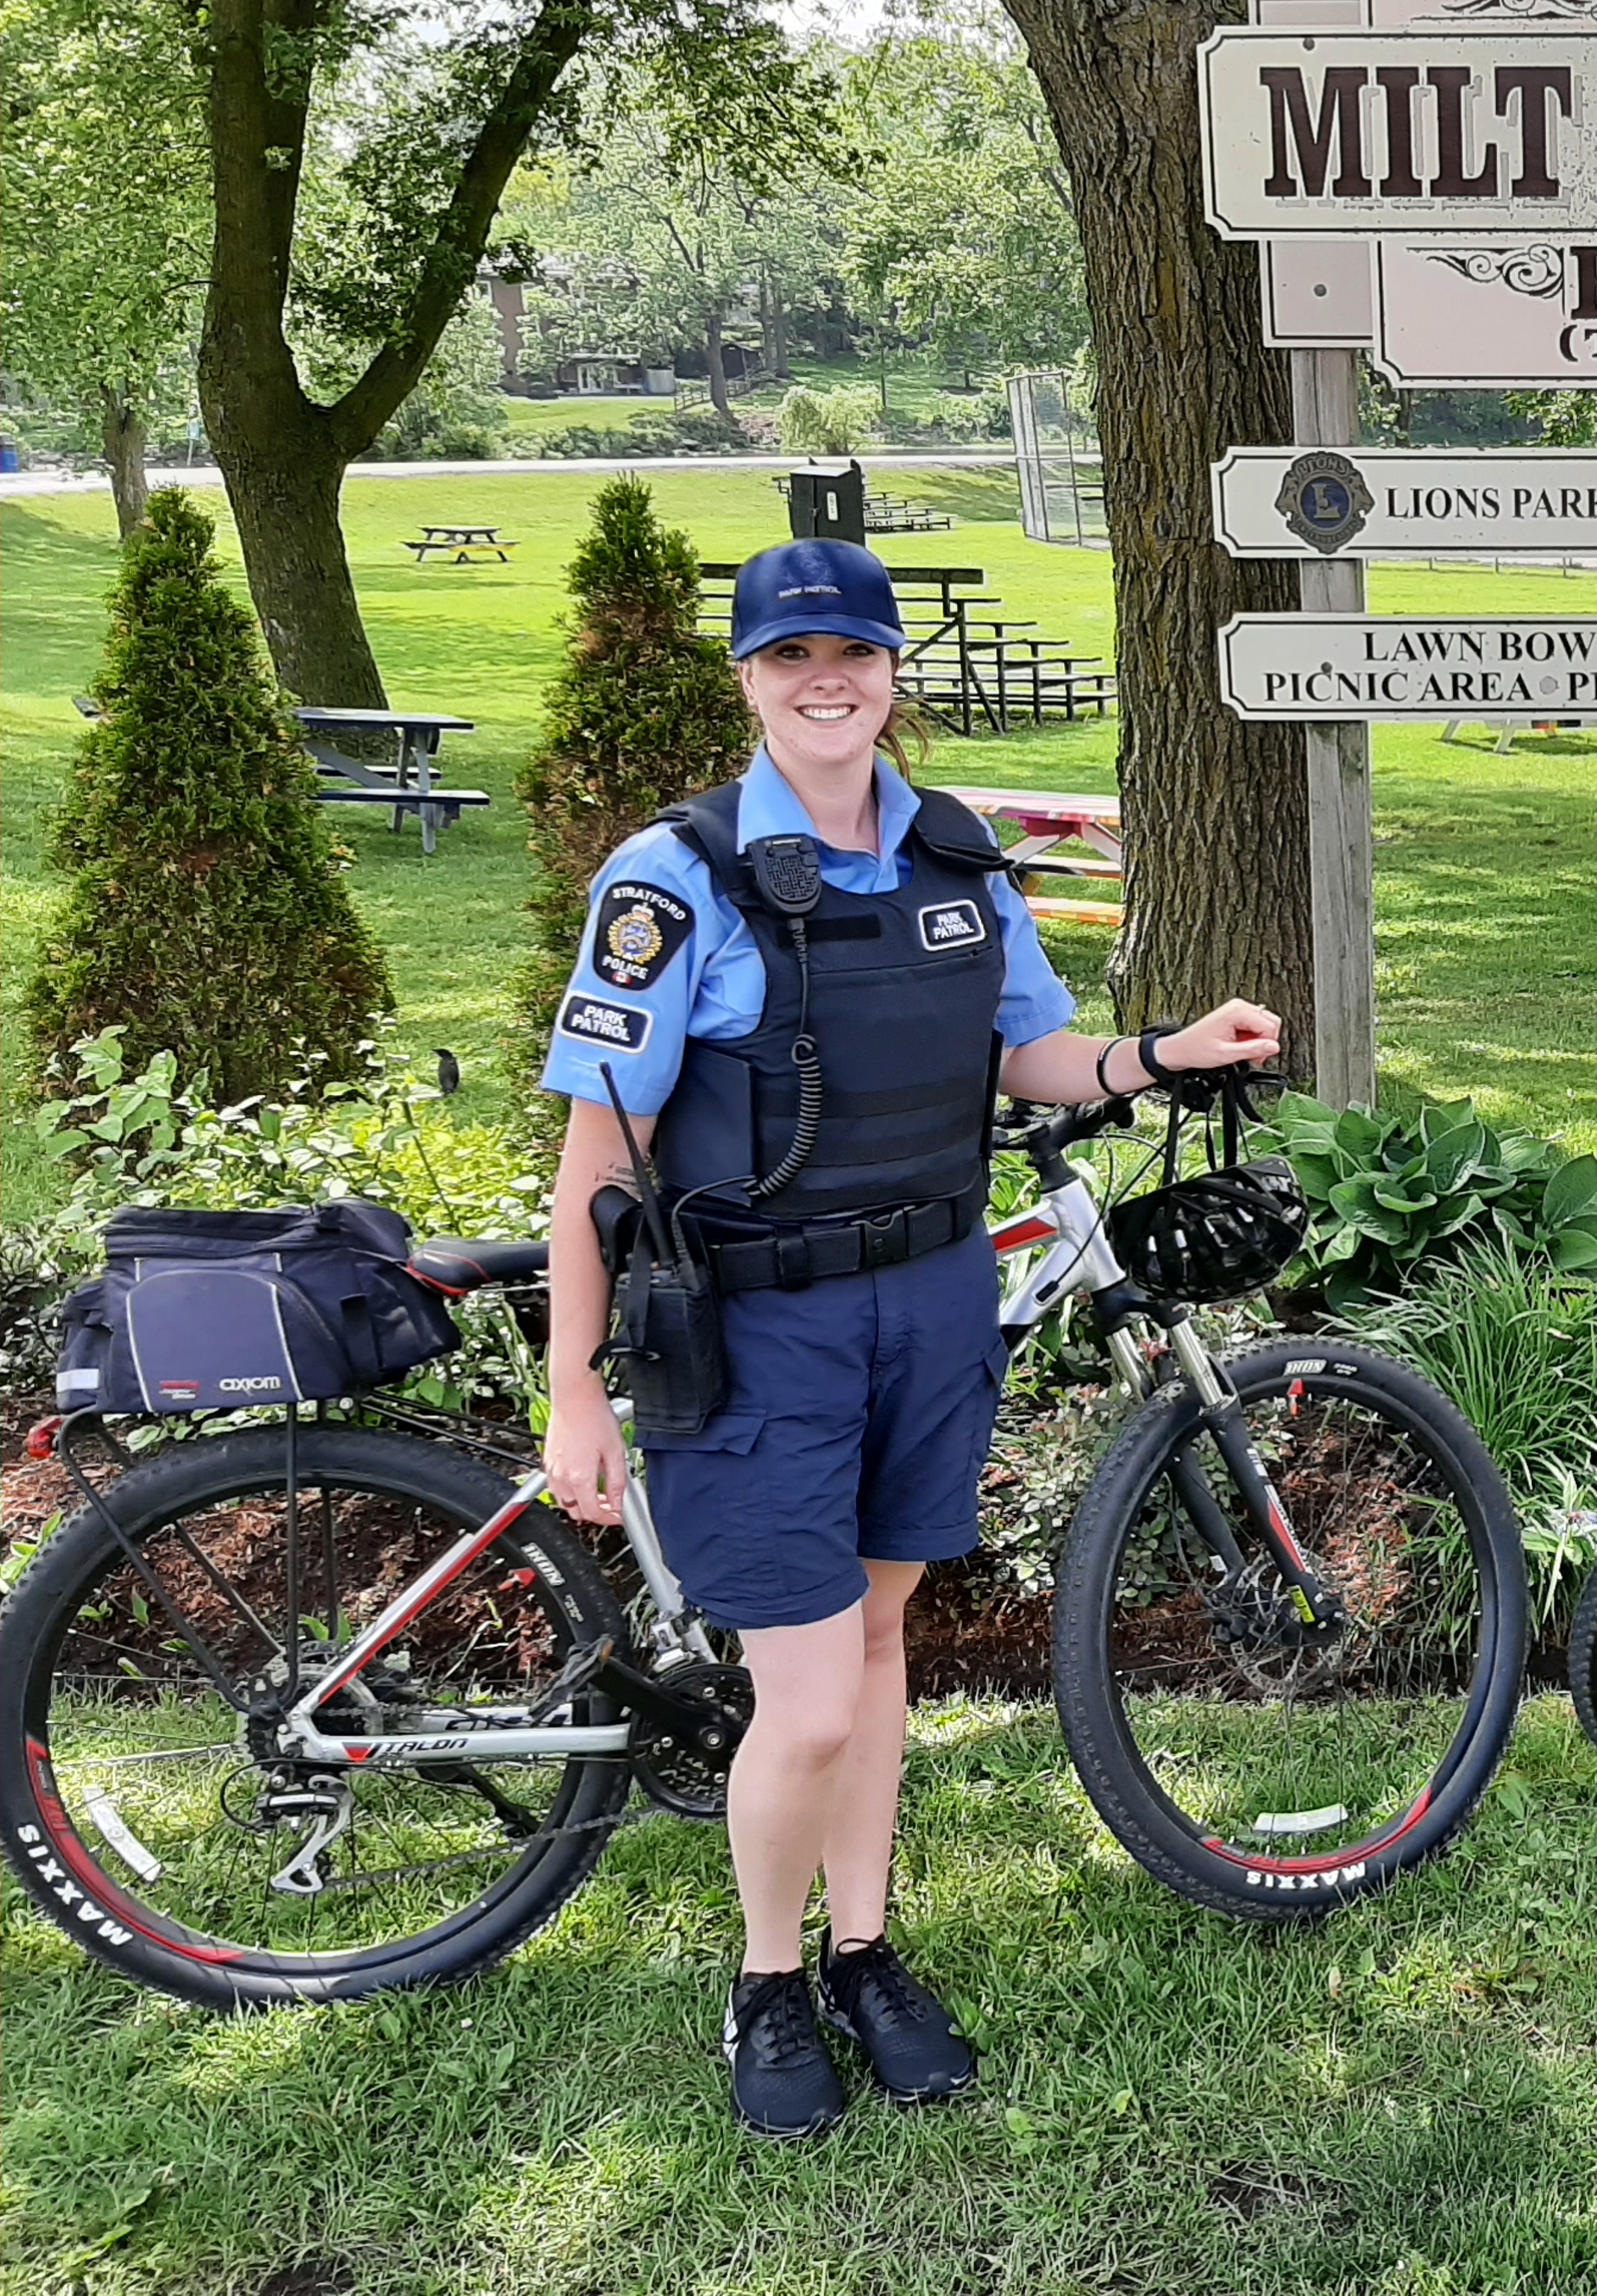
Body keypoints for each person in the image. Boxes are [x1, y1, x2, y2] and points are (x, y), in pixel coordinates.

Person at [537, 538, 1281, 2140]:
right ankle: (765, 1982)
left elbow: (1036, 1061)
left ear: (893, 677)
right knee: (801, 1699)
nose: (828, 681)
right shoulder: (672, 879)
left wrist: (1163, 1051)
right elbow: (599, 1160)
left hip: (933, 1309)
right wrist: (574, 1389)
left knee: (878, 1654)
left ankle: (866, 1951)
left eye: (856, 655)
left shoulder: (959, 860)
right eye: (791, 657)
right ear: (746, 680)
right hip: (750, 1333)